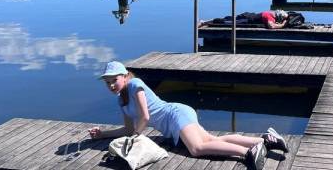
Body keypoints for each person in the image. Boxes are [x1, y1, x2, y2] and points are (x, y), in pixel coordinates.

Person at [88, 61, 289, 170]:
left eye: (114, 80)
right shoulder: (121, 101)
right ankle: (266, 140)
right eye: (107, 82)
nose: (111, 85)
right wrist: (102, 134)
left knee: (197, 148)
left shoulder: (135, 84)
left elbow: (145, 117)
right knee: (211, 140)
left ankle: (248, 152)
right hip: (175, 121)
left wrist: (135, 137)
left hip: (175, 114)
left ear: (124, 76)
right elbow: (129, 129)